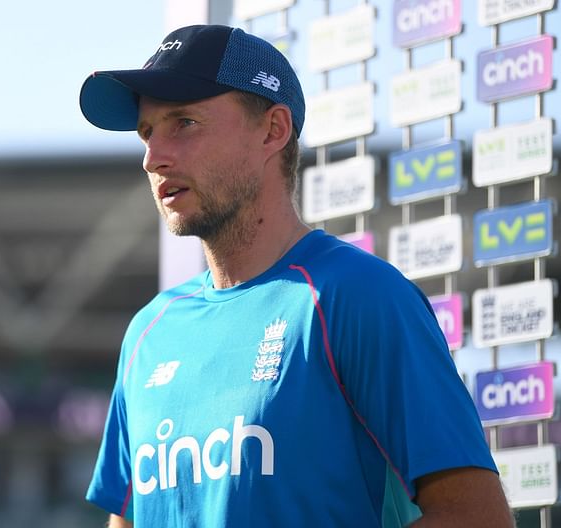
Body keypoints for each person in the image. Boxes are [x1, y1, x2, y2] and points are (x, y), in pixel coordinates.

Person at [78, 24, 512, 527]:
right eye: (148, 133)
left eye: (185, 123)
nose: (155, 157)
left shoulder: (358, 295)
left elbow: (476, 517)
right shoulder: (149, 332)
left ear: (272, 130)